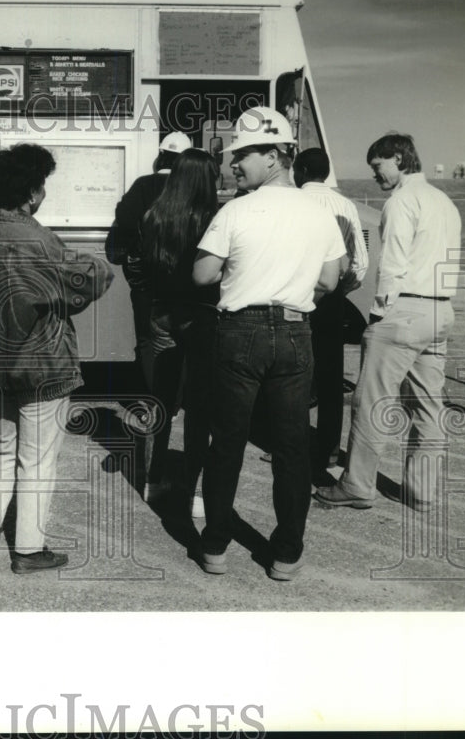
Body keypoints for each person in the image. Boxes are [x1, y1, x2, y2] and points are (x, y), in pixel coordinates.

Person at [192, 108, 345, 581]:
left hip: (238, 332)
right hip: (297, 331)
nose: (234, 163)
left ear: (276, 156)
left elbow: (202, 274)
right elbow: (330, 278)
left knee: (227, 443)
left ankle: (215, 544)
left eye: (243, 155)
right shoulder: (321, 212)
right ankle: (286, 553)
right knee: (292, 446)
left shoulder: (235, 210)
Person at [0, 143, 113, 574]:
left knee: (5, 447)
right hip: (43, 362)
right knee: (38, 458)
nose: (43, 193)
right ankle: (28, 549)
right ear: (31, 193)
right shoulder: (37, 236)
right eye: (41, 186)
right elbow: (87, 277)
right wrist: (93, 267)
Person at [315, 133, 461, 513]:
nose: (375, 174)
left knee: (371, 401)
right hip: (440, 310)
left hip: (404, 311)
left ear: (397, 158)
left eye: (378, 166)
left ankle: (358, 485)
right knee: (428, 406)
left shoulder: (401, 202)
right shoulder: (445, 202)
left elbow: (393, 263)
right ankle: (422, 491)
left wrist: (379, 315)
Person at [138, 149, 221, 517]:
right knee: (200, 406)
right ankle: (194, 489)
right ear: (207, 179)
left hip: (162, 314)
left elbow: (145, 266)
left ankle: (153, 481)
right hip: (202, 316)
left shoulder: (153, 215)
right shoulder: (213, 218)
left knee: (162, 401)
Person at [292, 148, 369, 483]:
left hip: (297, 296)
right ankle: (328, 449)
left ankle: (289, 445)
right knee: (331, 375)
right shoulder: (347, 206)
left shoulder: (293, 202)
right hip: (333, 297)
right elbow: (360, 263)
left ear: (302, 170)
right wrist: (340, 290)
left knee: (293, 375)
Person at [106, 132, 192, 393]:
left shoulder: (143, 185)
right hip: (183, 279)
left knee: (146, 339)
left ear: (160, 156)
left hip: (145, 280)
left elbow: (125, 219)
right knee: (181, 339)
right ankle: (176, 401)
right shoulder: (190, 188)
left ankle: (156, 396)